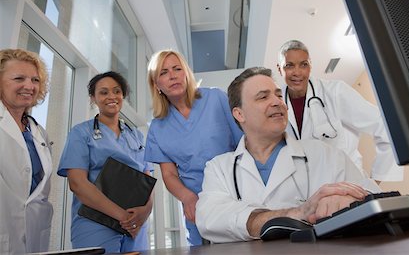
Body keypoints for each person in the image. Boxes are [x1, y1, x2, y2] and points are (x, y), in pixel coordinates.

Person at [196, 67, 380, 243]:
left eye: (277, 95)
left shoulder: (325, 154)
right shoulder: (219, 168)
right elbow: (209, 220)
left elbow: (375, 196)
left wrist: (350, 202)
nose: (277, 102)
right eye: (263, 97)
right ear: (239, 114)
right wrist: (297, 213)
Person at [145, 49, 243, 245]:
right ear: (157, 85)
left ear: (186, 73)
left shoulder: (217, 99)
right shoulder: (157, 127)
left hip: (237, 194)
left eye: (177, 69)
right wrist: (187, 198)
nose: (172, 75)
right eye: (163, 72)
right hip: (198, 205)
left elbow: (244, 145)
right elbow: (169, 175)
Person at [277, 40, 403, 182]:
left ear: (310, 66)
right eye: (289, 66)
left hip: (347, 186)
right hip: (306, 194)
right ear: (279, 69)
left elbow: (385, 126)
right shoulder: (275, 104)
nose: (297, 72)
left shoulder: (335, 92)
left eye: (304, 64)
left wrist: (378, 179)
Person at [57, 71, 153, 253]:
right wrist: (123, 217)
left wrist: (145, 212)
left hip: (135, 227)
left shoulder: (136, 136)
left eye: (117, 91)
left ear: (123, 95)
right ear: (93, 98)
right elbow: (77, 184)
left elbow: (147, 178)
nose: (111, 96)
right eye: (103, 92)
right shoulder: (81, 133)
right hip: (95, 224)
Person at [0, 48, 53, 254]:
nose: (29, 86)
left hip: (34, 231)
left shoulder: (39, 133)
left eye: (35, 80)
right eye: (19, 78)